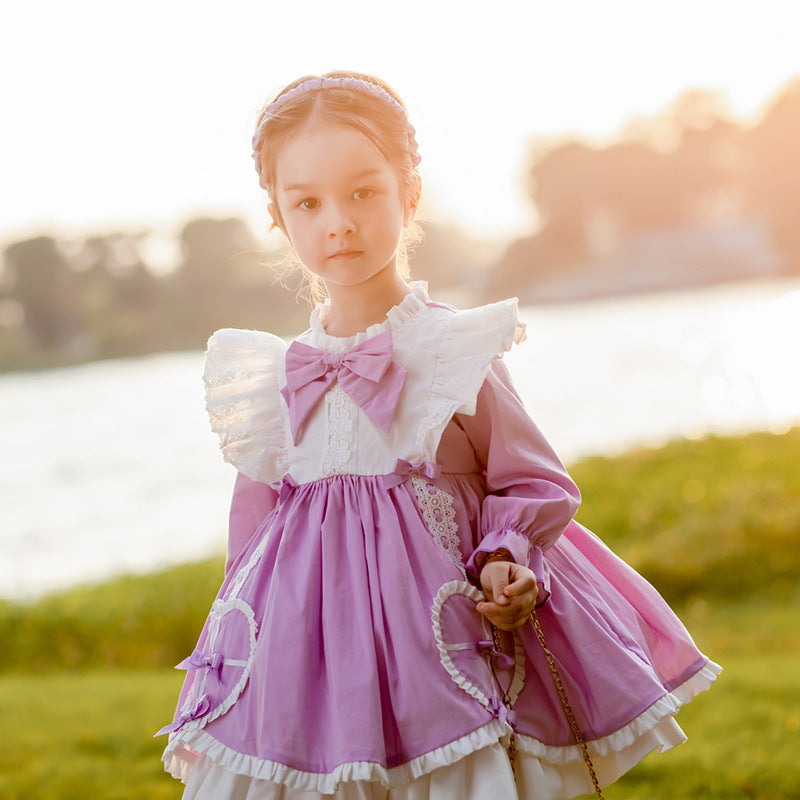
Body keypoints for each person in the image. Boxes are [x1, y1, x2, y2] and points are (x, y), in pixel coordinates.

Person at [158, 70, 720, 800]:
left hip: (441, 653)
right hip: (310, 674)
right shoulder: (271, 379)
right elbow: (254, 543)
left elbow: (530, 479)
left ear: (409, 194)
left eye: (363, 192)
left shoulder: (451, 351)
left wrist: (507, 558)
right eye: (308, 202)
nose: (339, 222)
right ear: (278, 217)